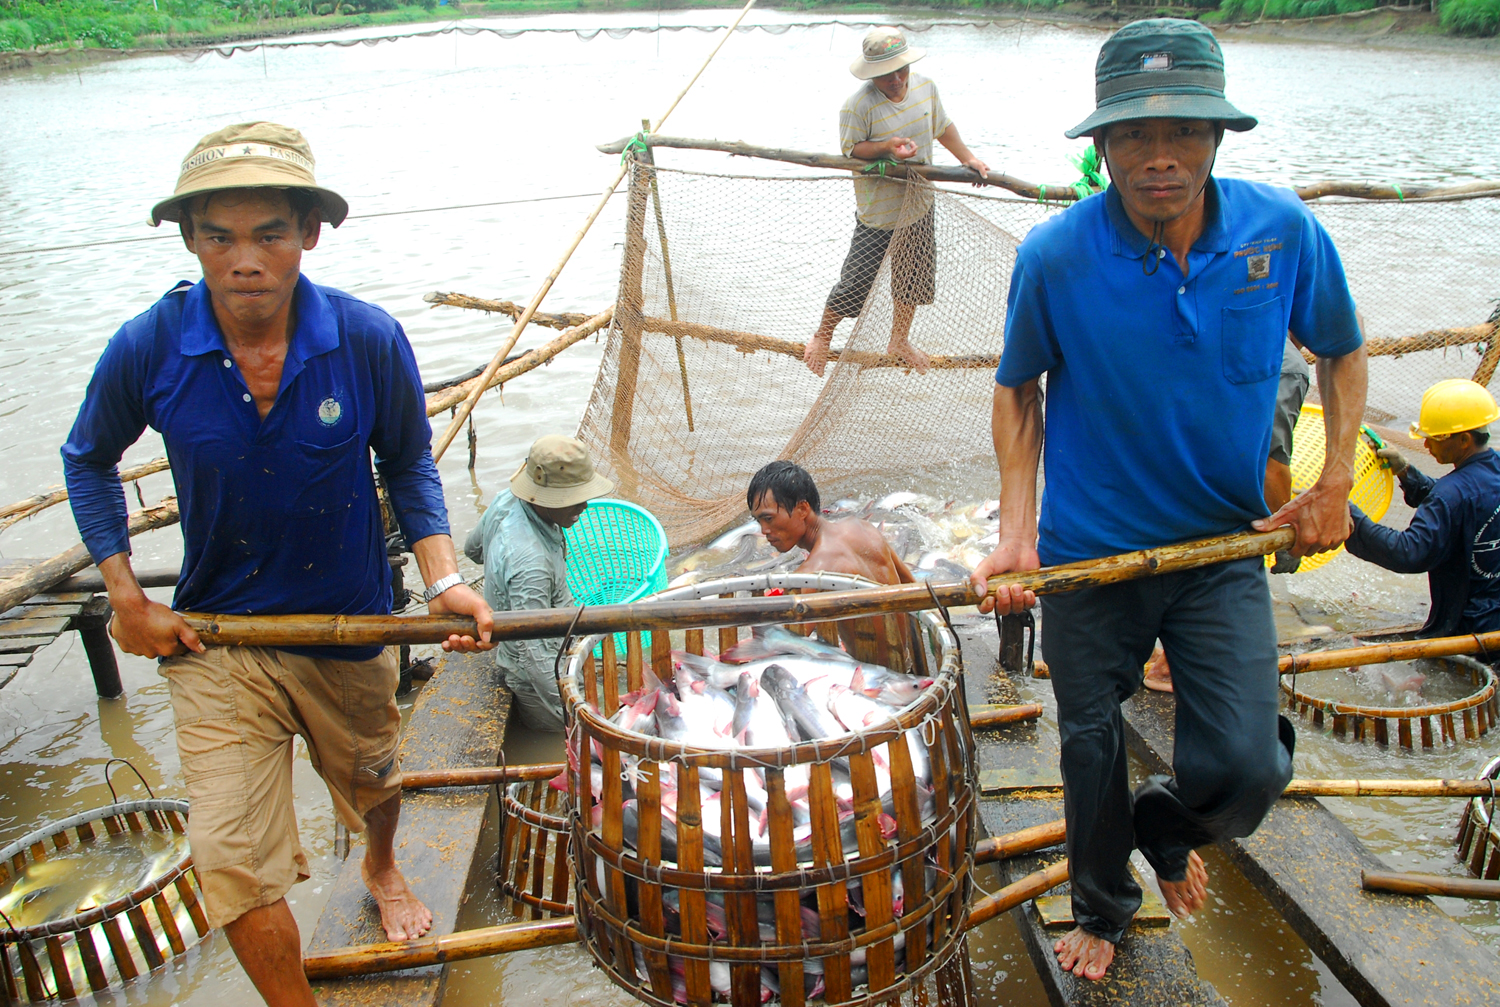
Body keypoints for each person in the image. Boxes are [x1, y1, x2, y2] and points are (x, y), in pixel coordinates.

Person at [61, 122, 494, 1007]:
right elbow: (86, 455)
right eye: (219, 235)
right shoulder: (148, 345)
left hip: (351, 623)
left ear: (310, 235)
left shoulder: (366, 338)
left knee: (375, 778)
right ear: (190, 240)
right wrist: (123, 596)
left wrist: (445, 579)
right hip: (219, 637)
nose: (244, 259)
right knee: (232, 860)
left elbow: (407, 461)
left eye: (269, 233)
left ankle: (382, 867)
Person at [970, 20, 1368, 982]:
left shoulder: (1283, 232)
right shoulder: (1056, 255)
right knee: (1088, 739)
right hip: (1090, 555)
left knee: (1246, 768)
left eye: (1185, 132)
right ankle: (1102, 906)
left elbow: (1342, 350)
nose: (1160, 158)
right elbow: (1018, 390)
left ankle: (1167, 822)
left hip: (1219, 553)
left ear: (1218, 139)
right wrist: (1017, 535)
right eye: (1135, 137)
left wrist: (1335, 481)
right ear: (1099, 146)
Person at [804, 26, 990, 378]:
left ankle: (899, 340)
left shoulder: (925, 88)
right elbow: (852, 151)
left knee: (913, 279)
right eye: (886, 74)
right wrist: (887, 147)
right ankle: (822, 335)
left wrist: (969, 158)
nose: (896, 79)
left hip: (919, 203)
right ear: (872, 73)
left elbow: (943, 126)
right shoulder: (857, 106)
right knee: (855, 285)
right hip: (878, 212)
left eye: (901, 70)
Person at [1144, 337, 1312, 692]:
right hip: (1214, 498)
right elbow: (1270, 467)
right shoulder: (1288, 365)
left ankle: (1164, 660)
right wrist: (1284, 542)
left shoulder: (1219, 327)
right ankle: (1172, 668)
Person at [465, 435, 614, 731]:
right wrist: (576, 714)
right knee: (571, 742)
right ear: (542, 498)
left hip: (547, 639)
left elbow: (473, 549)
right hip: (537, 679)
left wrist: (500, 575)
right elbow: (534, 656)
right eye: (572, 499)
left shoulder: (506, 500)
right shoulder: (530, 563)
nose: (583, 506)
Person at [1344, 378, 1500, 636]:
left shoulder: (1451, 495)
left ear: (1464, 440)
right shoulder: (1483, 477)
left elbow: (1409, 552)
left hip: (1470, 631)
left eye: (1436, 438)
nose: (1426, 445)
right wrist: (1406, 472)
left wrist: (1348, 514)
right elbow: (1465, 506)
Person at [748, 460, 914, 585]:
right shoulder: (864, 528)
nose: (764, 530)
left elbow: (784, 629)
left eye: (768, 519)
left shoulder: (811, 574)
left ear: (802, 509)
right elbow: (912, 586)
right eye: (759, 521)